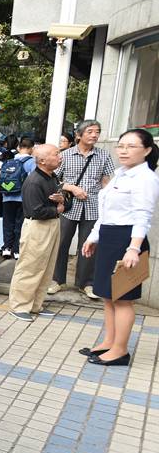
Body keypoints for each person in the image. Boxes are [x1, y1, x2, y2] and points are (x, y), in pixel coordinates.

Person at [80, 129, 159, 366]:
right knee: (108, 295)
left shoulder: (145, 178)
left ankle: (120, 351)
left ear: (147, 150)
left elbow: (143, 216)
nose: (123, 151)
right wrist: (93, 237)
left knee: (123, 299)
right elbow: (106, 212)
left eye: (131, 146)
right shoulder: (120, 174)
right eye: (121, 145)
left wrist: (133, 249)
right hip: (109, 237)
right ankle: (109, 342)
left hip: (127, 240)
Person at [49, 120, 116, 299]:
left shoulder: (104, 155)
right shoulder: (66, 154)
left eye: (97, 131)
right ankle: (57, 280)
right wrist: (72, 188)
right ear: (79, 135)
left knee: (89, 245)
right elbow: (53, 179)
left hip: (93, 207)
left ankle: (86, 283)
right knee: (61, 243)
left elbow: (106, 182)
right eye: (90, 131)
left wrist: (108, 202)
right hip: (69, 206)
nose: (94, 135)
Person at [7, 144, 65, 322]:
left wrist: (62, 201)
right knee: (30, 267)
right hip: (37, 227)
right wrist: (58, 209)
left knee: (46, 268)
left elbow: (62, 202)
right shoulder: (34, 181)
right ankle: (18, 306)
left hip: (51, 224)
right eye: (56, 154)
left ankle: (35, 305)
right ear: (42, 161)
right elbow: (35, 210)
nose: (60, 157)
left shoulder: (52, 176)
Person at [0, 137, 35, 259]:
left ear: (19, 148)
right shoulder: (32, 162)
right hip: (22, 198)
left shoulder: (9, 160)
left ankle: (6, 248)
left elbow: (0, 177)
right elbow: (33, 180)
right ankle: (16, 250)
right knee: (20, 224)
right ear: (32, 148)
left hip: (7, 197)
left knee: (8, 223)